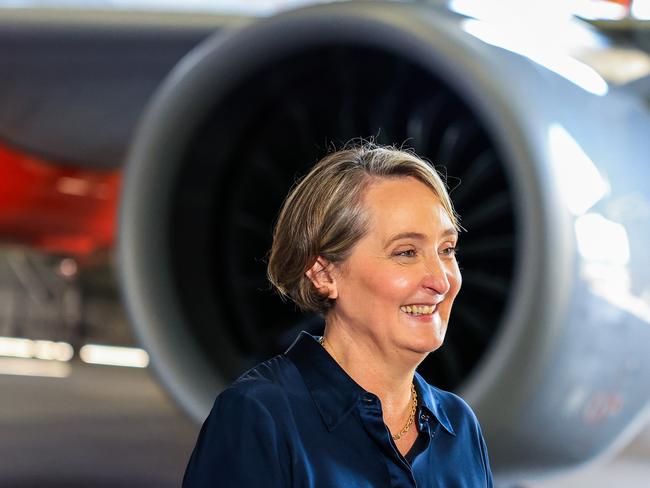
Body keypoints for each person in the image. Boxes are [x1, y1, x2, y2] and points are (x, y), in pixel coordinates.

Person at [182, 142, 494, 487]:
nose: (441, 280)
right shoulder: (259, 416)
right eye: (406, 252)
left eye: (446, 249)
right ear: (323, 274)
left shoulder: (459, 425)